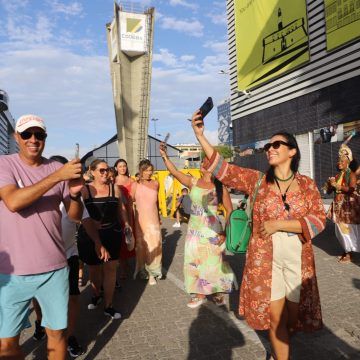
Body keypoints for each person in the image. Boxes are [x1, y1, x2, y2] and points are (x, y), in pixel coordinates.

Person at [191, 110, 326, 360]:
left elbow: (319, 220)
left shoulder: (307, 185)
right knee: (276, 320)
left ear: (292, 151)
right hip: (265, 263)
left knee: (292, 318)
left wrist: (279, 224)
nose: (270, 149)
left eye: (276, 144)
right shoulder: (258, 182)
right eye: (268, 146)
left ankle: (281, 344)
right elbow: (225, 170)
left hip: (298, 260)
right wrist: (200, 136)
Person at [0, 114, 83, 359]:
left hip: (54, 268)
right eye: (26, 134)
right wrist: (58, 177)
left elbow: (75, 216)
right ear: (17, 137)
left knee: (57, 334)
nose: (33, 139)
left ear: (45, 138)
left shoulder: (57, 168)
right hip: (11, 272)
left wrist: (76, 195)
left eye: (39, 135)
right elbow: (14, 201)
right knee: (7, 343)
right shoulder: (5, 164)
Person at [159, 144, 236, 308]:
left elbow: (229, 210)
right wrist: (165, 156)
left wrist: (225, 232)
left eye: (207, 163)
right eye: (203, 163)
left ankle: (216, 291)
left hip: (214, 230)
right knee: (194, 261)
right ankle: (199, 294)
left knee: (214, 262)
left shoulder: (220, 187)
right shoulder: (192, 182)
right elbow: (175, 172)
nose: (203, 165)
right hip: (195, 229)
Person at [77, 159, 132, 320]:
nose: (105, 173)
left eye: (107, 170)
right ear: (92, 171)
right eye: (101, 170)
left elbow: (121, 209)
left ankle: (109, 305)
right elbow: (76, 212)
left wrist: (127, 223)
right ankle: (96, 294)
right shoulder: (85, 190)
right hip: (89, 235)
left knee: (110, 269)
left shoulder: (114, 189)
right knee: (94, 269)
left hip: (111, 233)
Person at [325, 144, 360, 263]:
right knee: (339, 229)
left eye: (342, 160)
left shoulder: (351, 174)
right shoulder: (337, 176)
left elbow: (351, 189)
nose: (339, 162)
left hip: (348, 206)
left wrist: (338, 186)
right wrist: (330, 185)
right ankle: (347, 250)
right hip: (339, 207)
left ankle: (349, 253)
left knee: (347, 229)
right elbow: (330, 191)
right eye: (338, 160)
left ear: (347, 162)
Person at [131, 159, 162, 285]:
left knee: (155, 245)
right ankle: (143, 269)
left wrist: (159, 216)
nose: (149, 173)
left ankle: (152, 273)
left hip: (153, 219)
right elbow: (130, 201)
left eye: (151, 170)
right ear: (141, 171)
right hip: (140, 220)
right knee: (142, 246)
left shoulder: (156, 183)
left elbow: (157, 202)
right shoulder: (135, 185)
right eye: (146, 170)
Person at [114, 159, 136, 278]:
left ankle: (127, 262)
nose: (123, 168)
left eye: (124, 166)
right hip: (118, 211)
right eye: (120, 166)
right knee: (121, 238)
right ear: (116, 168)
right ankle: (123, 265)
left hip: (129, 210)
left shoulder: (131, 180)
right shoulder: (113, 180)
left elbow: (133, 199)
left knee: (129, 235)